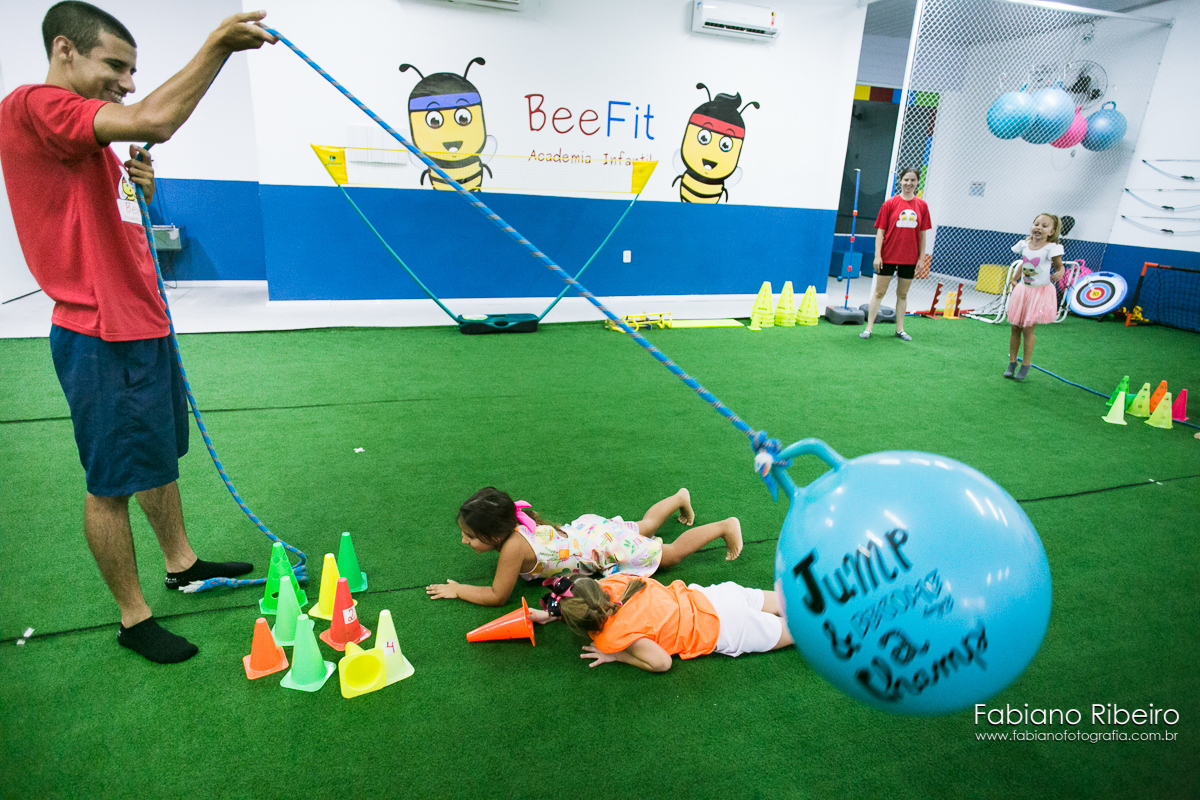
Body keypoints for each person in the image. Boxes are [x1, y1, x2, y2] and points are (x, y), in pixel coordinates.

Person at [0, 2, 277, 663]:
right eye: (116, 66)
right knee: (111, 483)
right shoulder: (36, 105)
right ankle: (133, 618)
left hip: (140, 321)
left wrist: (140, 195)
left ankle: (182, 564)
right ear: (64, 49)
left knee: (153, 459)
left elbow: (107, 225)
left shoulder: (86, 139)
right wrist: (218, 44)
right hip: (100, 334)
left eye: (132, 71)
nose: (127, 83)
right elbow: (155, 118)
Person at [426, 487, 743, 607]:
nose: (465, 541)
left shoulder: (512, 547)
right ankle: (679, 497)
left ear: (495, 535)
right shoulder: (516, 522)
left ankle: (724, 527)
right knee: (644, 527)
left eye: (471, 536)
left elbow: (498, 595)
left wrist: (459, 589)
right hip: (590, 532)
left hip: (601, 548)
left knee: (670, 555)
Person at [539, 574, 793, 672]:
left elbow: (662, 663)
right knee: (790, 601)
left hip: (727, 629)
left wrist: (616, 655)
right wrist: (554, 612)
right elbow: (583, 596)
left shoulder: (612, 637)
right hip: (718, 596)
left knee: (798, 630)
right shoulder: (615, 582)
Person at [861, 167, 931, 341]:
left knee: (903, 294)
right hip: (888, 256)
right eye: (906, 179)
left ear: (917, 182)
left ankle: (900, 330)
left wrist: (921, 258)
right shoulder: (889, 204)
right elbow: (880, 232)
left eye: (912, 180)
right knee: (879, 292)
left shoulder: (922, 206)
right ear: (900, 181)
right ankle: (868, 328)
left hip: (910, 258)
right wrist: (878, 255)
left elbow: (922, 234)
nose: (909, 183)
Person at [1004, 213, 1065, 381]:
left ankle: (1026, 364)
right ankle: (1012, 362)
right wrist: (1015, 278)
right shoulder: (1025, 245)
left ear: (1051, 231)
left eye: (1044, 226)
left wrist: (1060, 272)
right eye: (1036, 224)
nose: (1039, 228)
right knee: (1015, 327)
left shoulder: (1051, 248)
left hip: (1039, 292)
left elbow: (1059, 267)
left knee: (1028, 328)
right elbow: (1025, 262)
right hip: (1023, 290)